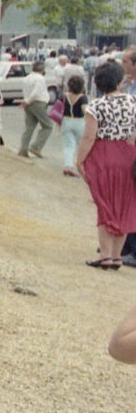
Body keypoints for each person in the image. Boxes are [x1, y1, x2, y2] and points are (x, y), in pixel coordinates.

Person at [76, 60, 135, 269]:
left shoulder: (96, 106)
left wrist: (79, 159)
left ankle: (106, 255)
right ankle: (117, 255)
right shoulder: (133, 102)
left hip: (102, 155)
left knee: (104, 205)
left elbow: (89, 137)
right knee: (125, 205)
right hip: (128, 155)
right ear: (120, 81)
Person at [17, 60, 54, 159]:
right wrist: (28, 100)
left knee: (29, 127)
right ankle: (36, 147)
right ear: (42, 69)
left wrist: (26, 101)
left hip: (28, 103)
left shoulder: (27, 78)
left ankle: (23, 149)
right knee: (48, 126)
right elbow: (37, 92)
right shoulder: (40, 78)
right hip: (37, 102)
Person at [59, 73, 89, 176]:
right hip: (79, 121)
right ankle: (83, 164)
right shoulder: (82, 97)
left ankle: (68, 166)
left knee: (68, 145)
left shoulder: (64, 96)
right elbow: (85, 110)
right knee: (81, 144)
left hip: (66, 120)